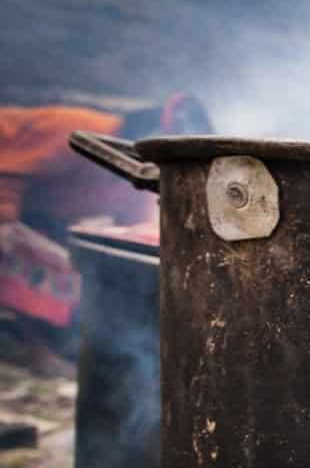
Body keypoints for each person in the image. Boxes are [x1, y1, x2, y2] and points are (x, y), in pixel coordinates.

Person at [0, 95, 211, 359]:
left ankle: (40, 342)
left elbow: (136, 233)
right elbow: (6, 175)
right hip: (7, 211)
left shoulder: (134, 177)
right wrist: (15, 230)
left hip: (34, 217)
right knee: (38, 257)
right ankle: (35, 349)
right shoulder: (77, 130)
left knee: (81, 268)